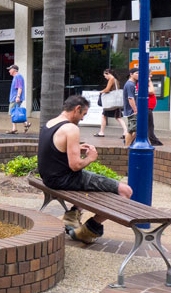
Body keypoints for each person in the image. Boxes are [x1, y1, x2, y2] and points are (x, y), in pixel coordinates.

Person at [38, 95, 133, 244]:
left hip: (50, 178)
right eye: (83, 114)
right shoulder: (71, 128)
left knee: (96, 185)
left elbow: (54, 150)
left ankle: (72, 215)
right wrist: (90, 158)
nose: (82, 119)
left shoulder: (50, 123)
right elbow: (75, 166)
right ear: (77, 109)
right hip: (66, 179)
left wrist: (76, 148)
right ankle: (90, 229)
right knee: (125, 191)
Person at [96, 69, 127, 139]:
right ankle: (125, 132)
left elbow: (107, 89)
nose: (105, 77)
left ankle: (102, 132)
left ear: (108, 73)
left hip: (111, 103)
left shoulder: (112, 79)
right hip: (115, 102)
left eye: (105, 76)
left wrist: (101, 92)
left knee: (107, 116)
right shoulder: (116, 80)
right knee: (117, 117)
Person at [7, 64, 29, 134]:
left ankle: (14, 129)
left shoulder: (18, 77)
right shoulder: (16, 77)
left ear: (14, 70)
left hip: (15, 98)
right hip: (14, 98)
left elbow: (20, 87)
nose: (9, 71)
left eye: (10, 69)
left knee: (12, 112)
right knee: (15, 112)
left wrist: (18, 97)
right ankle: (26, 124)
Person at [123, 67, 139, 146]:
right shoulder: (130, 84)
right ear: (131, 74)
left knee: (136, 130)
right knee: (132, 130)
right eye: (137, 73)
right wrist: (135, 110)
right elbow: (130, 98)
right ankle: (127, 146)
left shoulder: (133, 84)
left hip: (133, 111)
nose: (138, 75)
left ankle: (128, 144)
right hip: (132, 111)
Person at [147, 81, 163, 146]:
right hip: (147, 107)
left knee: (150, 125)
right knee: (150, 125)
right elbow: (152, 91)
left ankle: (154, 140)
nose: (151, 76)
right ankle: (154, 141)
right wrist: (150, 81)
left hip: (149, 107)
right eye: (150, 75)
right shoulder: (143, 83)